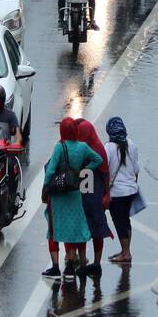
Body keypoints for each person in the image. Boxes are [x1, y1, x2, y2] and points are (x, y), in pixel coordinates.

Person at [42, 118, 102, 281]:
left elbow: (50, 171)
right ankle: (70, 268)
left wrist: (47, 186)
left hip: (58, 196)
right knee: (74, 230)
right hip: (75, 194)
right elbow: (98, 160)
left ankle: (55, 268)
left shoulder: (59, 147)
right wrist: (83, 171)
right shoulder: (83, 147)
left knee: (53, 231)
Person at [74, 118, 113, 277]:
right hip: (90, 196)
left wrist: (106, 194)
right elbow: (105, 173)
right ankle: (90, 263)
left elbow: (104, 173)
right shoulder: (95, 148)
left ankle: (90, 263)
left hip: (90, 196)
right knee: (90, 230)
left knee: (87, 230)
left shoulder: (90, 149)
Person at [104, 116, 141, 264]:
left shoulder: (108, 147)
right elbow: (136, 169)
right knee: (126, 220)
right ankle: (126, 250)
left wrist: (106, 192)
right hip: (131, 190)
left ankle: (125, 253)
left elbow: (105, 171)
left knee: (119, 222)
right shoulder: (132, 144)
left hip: (117, 192)